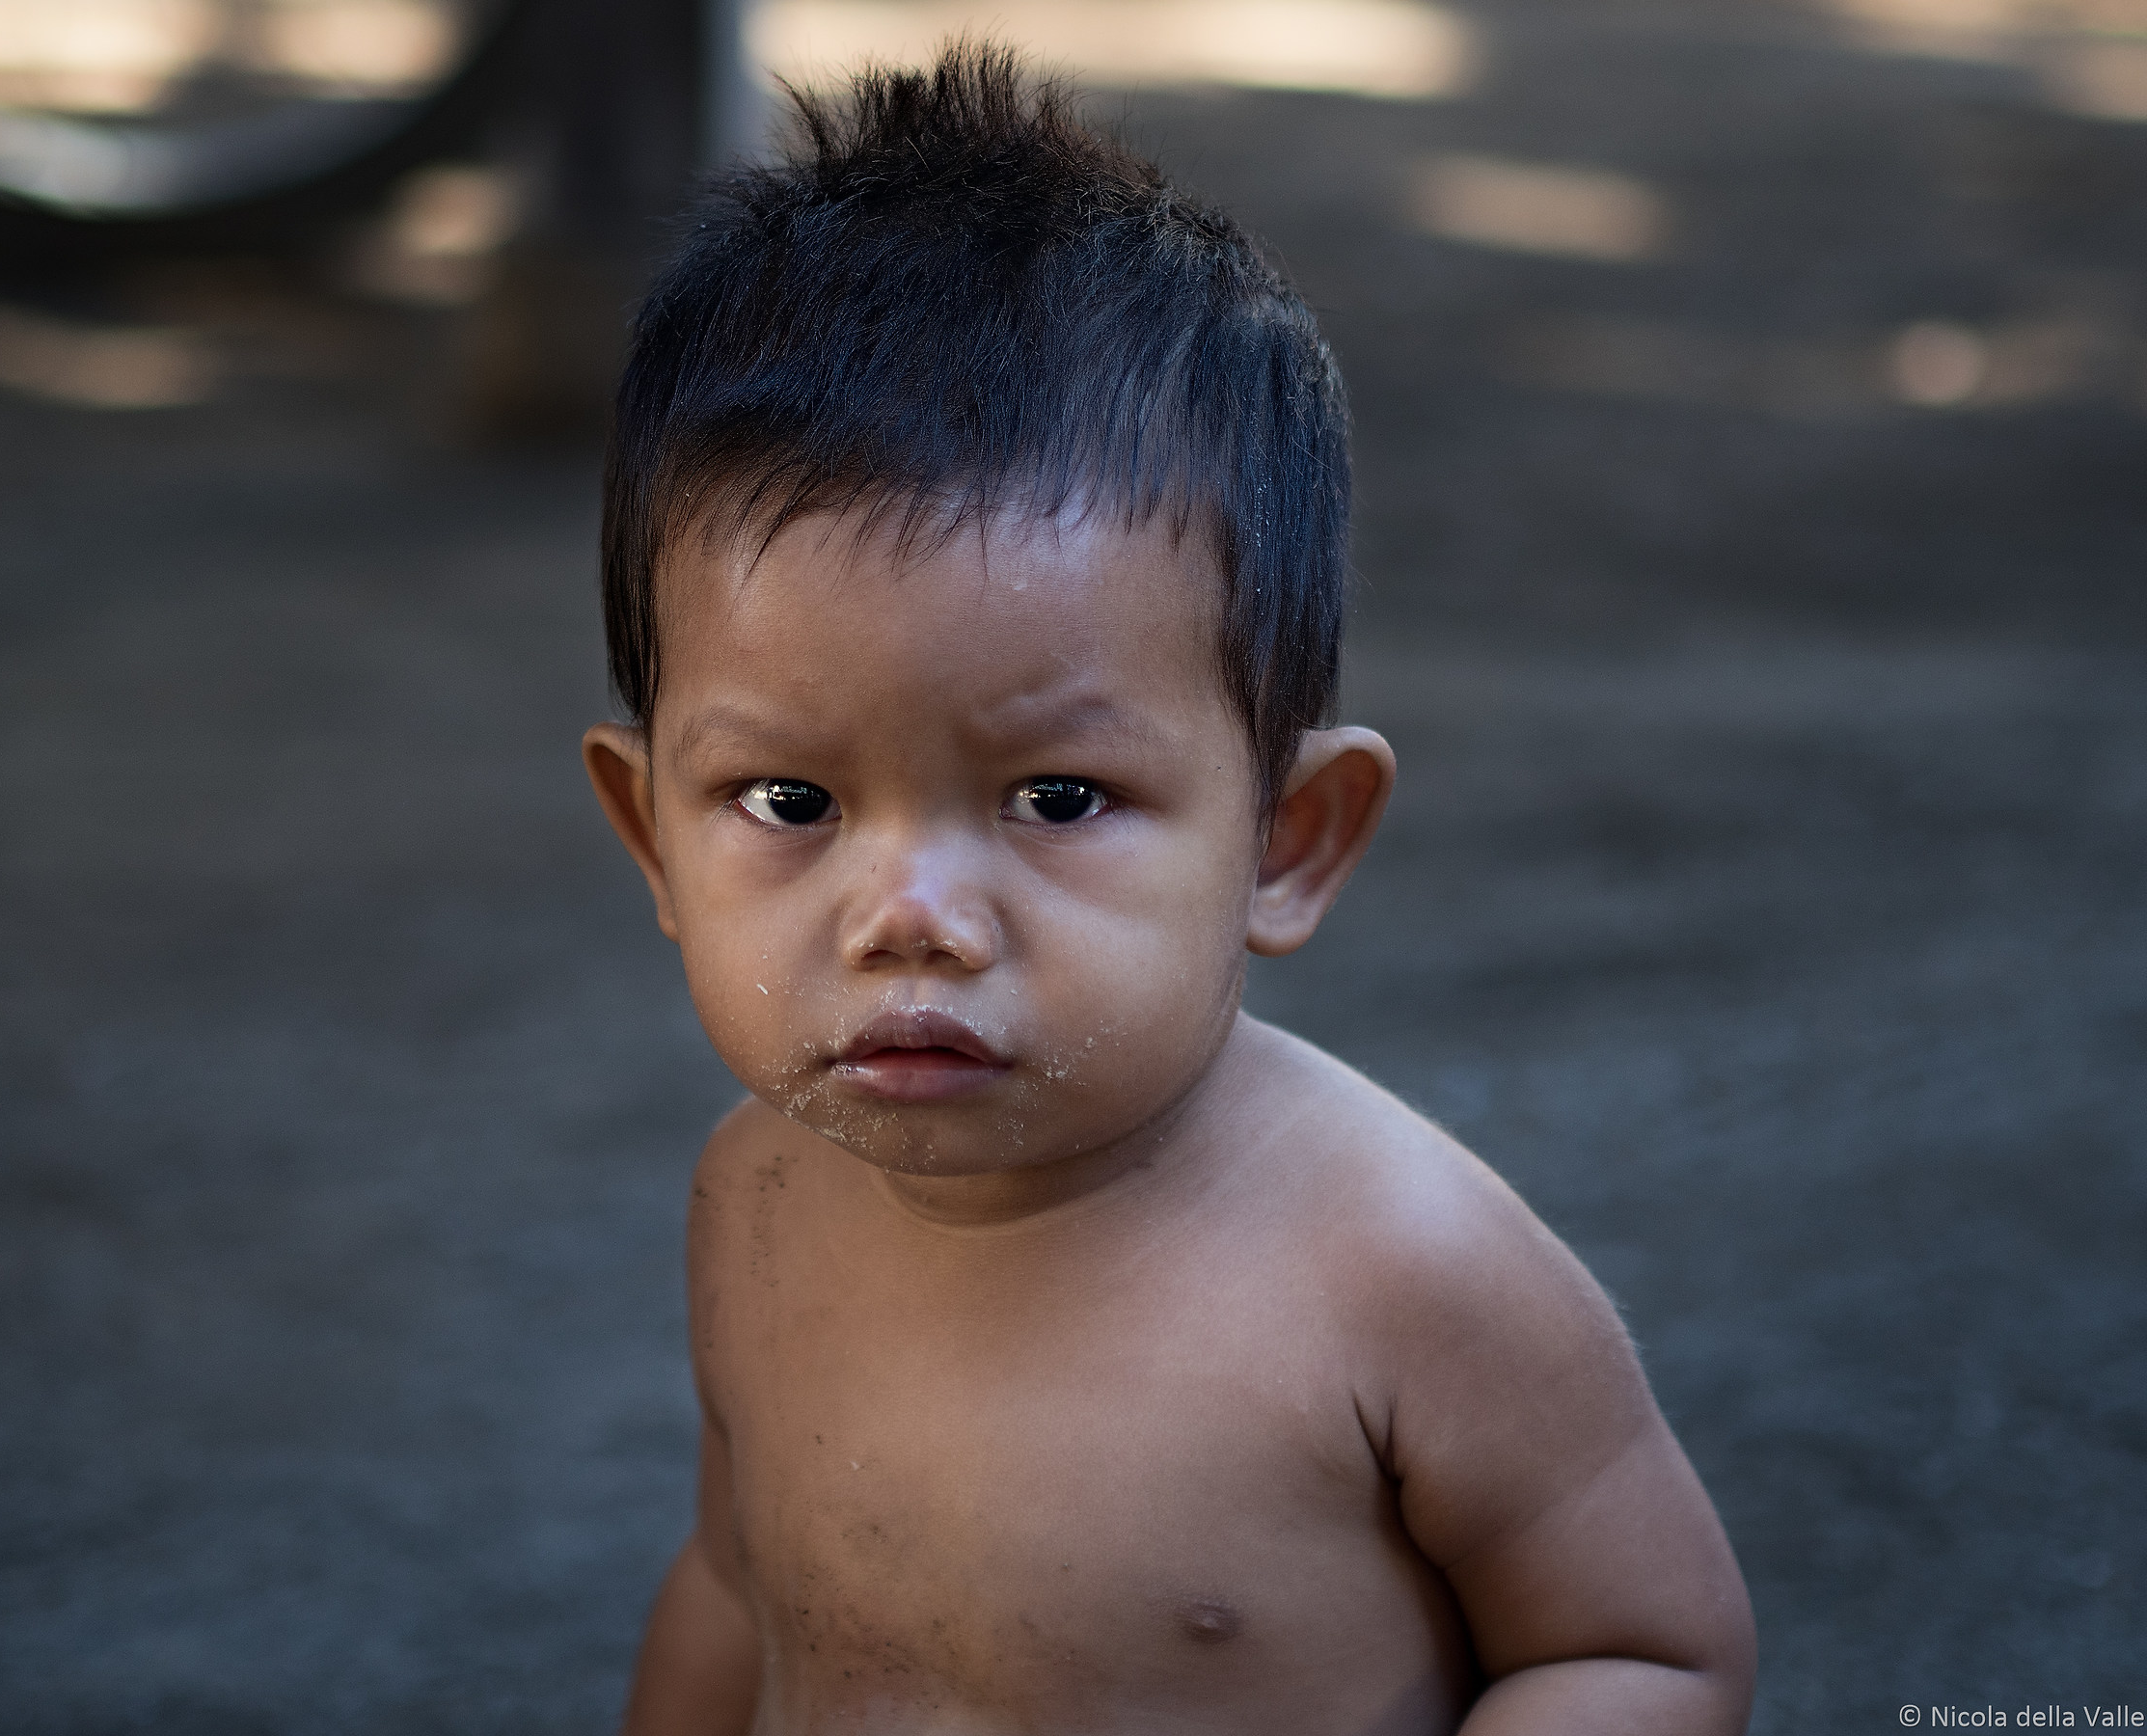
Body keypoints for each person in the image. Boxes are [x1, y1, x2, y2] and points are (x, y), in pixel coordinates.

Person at [581, 43, 1756, 1735]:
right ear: (651, 838)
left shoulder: (1401, 1267)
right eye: (791, 801)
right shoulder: (753, 1197)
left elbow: (1647, 1654)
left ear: (1289, 839)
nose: (908, 914)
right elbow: (735, 1582)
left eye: (1057, 799)